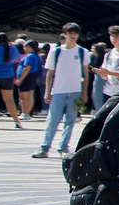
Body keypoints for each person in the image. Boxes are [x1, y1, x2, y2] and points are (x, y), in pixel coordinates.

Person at [33, 24, 88, 158]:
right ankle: (44, 147)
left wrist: (84, 92)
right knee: (53, 120)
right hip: (58, 91)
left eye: (75, 33)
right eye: (70, 33)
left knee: (71, 120)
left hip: (75, 92)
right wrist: (47, 91)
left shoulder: (82, 52)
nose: (73, 35)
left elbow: (86, 74)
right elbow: (49, 73)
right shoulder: (55, 52)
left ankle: (63, 147)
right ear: (64, 34)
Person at [15, 41, 43, 119]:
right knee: (29, 95)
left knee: (24, 97)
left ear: (28, 46)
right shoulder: (35, 56)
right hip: (32, 77)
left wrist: (20, 79)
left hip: (27, 77)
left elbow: (27, 68)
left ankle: (24, 112)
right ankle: (26, 113)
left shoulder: (29, 56)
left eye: (25, 46)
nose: (24, 48)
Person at [88, 42, 108, 110]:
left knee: (97, 95)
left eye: (93, 48)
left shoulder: (103, 57)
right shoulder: (94, 56)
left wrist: (92, 69)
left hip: (101, 77)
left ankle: (99, 110)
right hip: (97, 77)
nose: (91, 49)